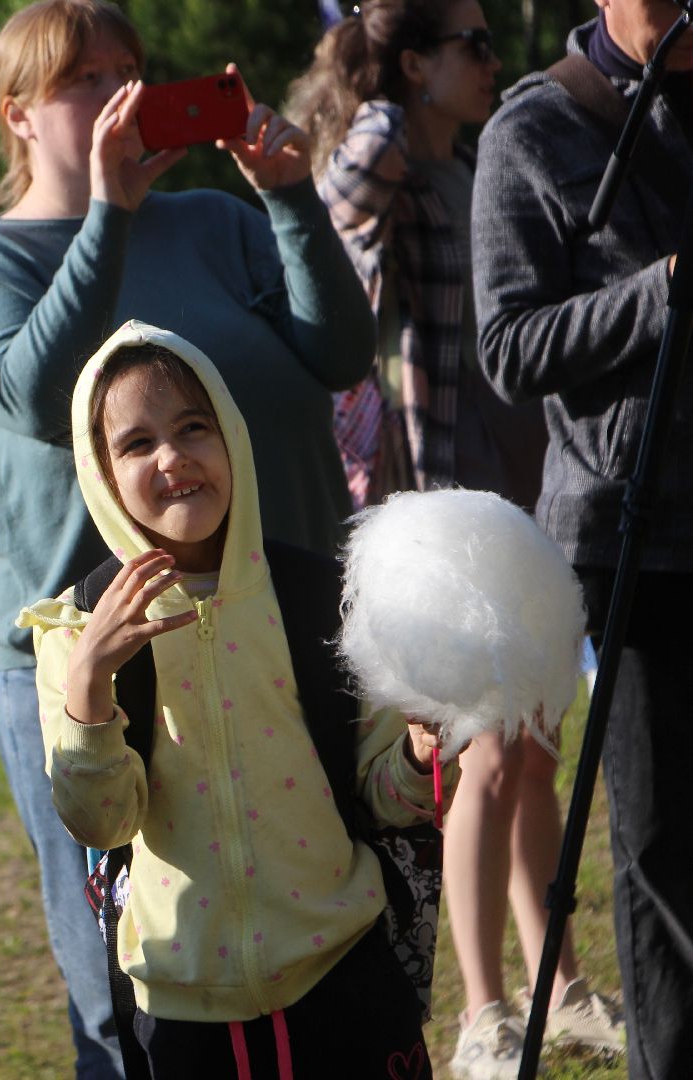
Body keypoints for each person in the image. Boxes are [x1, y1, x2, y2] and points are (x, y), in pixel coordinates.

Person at [0, 1, 374, 1071]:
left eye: (132, 69)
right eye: (86, 79)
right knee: (133, 977)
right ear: (19, 115)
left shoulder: (219, 224)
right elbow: (37, 396)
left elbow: (342, 352)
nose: (120, 93)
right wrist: (107, 215)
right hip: (96, 657)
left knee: (324, 930)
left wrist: (288, 196)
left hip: (274, 615)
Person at [288, 6, 624, 1076]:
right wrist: (385, 103)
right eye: (470, 43)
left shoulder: (480, 158)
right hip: (432, 505)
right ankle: (483, 1011)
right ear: (416, 61)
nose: (493, 61)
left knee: (532, 747)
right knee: (479, 759)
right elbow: (329, 212)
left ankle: (557, 982)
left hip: (518, 488)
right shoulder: (384, 150)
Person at [20, 319, 454, 1075]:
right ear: (100, 472)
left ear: (234, 437)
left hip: (343, 979)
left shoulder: (328, 600)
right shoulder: (76, 629)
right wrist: (91, 684)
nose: (173, 458)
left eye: (195, 427)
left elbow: (382, 799)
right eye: (136, 443)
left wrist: (417, 756)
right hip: (184, 1010)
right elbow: (101, 820)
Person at [473, 2, 693, 1077]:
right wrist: (659, 297)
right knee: (664, 853)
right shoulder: (537, 130)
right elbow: (508, 347)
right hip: (637, 540)